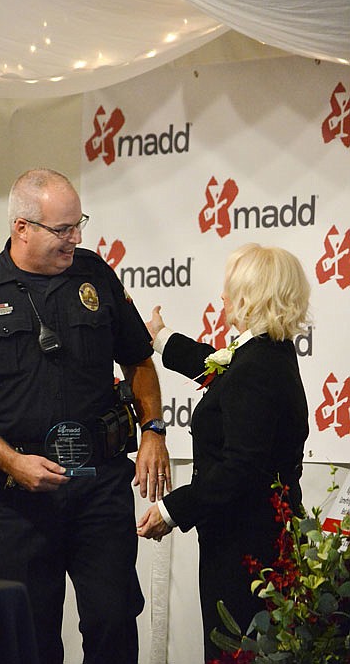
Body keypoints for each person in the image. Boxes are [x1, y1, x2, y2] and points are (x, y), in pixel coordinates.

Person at [0, 168, 172, 664]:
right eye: (62, 230)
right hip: (13, 498)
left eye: (78, 225)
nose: (75, 238)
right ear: (22, 227)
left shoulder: (96, 275)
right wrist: (12, 462)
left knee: (114, 618)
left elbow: (138, 358)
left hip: (98, 483)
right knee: (29, 634)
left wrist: (154, 430)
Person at [137, 243, 310, 663]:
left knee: (239, 651)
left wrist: (171, 510)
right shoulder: (264, 353)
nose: (223, 298)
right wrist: (160, 338)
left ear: (251, 296)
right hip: (255, 540)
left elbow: (241, 467)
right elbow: (213, 363)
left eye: (230, 289)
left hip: (246, 550)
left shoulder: (258, 368)